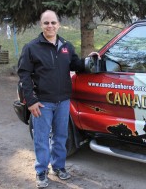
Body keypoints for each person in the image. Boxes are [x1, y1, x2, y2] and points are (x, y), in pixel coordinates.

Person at [17, 10, 98, 188]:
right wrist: (30, 101)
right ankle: (41, 171)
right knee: (41, 138)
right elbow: (24, 75)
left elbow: (75, 64)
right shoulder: (32, 48)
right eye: (46, 23)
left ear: (59, 24)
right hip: (42, 103)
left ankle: (58, 167)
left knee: (61, 137)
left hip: (63, 101)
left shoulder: (66, 46)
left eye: (53, 22)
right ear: (41, 25)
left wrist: (89, 61)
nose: (50, 26)